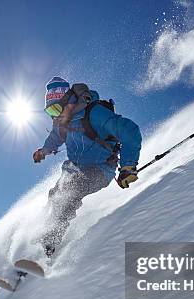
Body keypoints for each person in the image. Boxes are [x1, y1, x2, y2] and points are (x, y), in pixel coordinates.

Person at [33, 76, 142, 257]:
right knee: (54, 195)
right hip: (75, 167)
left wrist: (128, 166)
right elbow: (55, 138)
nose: (54, 116)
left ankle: (48, 246)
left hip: (100, 169)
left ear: (67, 100)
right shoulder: (62, 120)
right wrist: (43, 151)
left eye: (55, 108)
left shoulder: (94, 113)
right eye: (49, 111)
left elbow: (129, 130)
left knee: (71, 191)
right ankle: (44, 231)